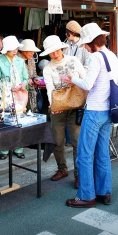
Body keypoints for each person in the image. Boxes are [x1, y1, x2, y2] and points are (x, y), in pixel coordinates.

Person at [61, 23, 118, 208]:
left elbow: (87, 84)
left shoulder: (95, 58)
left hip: (94, 110)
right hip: (108, 111)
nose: (85, 47)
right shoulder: (112, 56)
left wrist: (72, 78)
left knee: (84, 155)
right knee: (102, 154)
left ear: (93, 42)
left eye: (86, 43)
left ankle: (87, 195)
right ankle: (104, 192)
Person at [40, 35, 86, 189]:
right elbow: (49, 88)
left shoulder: (73, 60)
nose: (55, 54)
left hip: (76, 104)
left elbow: (85, 79)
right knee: (57, 140)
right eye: (51, 52)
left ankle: (79, 174)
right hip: (58, 105)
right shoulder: (47, 68)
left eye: (57, 50)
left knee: (76, 140)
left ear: (61, 48)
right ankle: (62, 168)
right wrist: (54, 104)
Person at [0, 35, 29, 159]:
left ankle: (18, 148)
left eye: (16, 49)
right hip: (5, 95)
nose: (15, 51)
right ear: (7, 49)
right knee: (6, 122)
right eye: (13, 49)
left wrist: (25, 83)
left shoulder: (20, 61)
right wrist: (9, 87)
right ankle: (4, 150)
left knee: (20, 121)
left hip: (20, 94)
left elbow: (25, 77)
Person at [17, 39, 42, 114]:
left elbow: (34, 73)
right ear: (24, 50)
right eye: (30, 51)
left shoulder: (31, 60)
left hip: (31, 93)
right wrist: (26, 81)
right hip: (19, 92)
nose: (33, 53)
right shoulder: (16, 60)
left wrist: (35, 79)